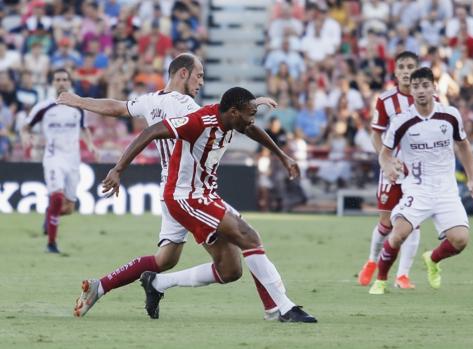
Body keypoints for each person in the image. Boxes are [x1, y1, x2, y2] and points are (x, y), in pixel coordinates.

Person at [59, 54, 281, 320]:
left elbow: (116, 107)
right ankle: (276, 308)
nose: (201, 81)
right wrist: (253, 104)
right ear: (183, 74)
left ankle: (101, 286)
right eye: (198, 75)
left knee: (165, 259)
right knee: (233, 261)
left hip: (169, 190)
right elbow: (222, 115)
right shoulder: (186, 104)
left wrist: (77, 101)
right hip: (189, 192)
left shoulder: (150, 101)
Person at [100, 86, 317, 323]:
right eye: (250, 114)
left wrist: (282, 156)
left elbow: (252, 129)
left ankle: (158, 283)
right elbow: (151, 131)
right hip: (184, 197)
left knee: (231, 270)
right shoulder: (198, 123)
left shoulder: (234, 120)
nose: (252, 120)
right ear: (234, 112)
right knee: (249, 237)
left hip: (205, 195)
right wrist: (118, 169)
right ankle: (283, 308)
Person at [368, 67, 473, 294]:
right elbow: (385, 152)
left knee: (460, 240)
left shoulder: (450, 115)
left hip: (446, 191)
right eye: (416, 86)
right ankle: (381, 280)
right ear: (411, 91)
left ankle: (433, 259)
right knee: (398, 234)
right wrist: (388, 166)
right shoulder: (402, 121)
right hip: (417, 189)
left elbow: (464, 146)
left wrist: (472, 179)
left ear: (434, 88)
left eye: (425, 85)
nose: (420, 90)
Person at [358, 51, 422, 290]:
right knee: (386, 221)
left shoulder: (428, 99)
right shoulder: (386, 100)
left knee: (413, 221)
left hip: (417, 171)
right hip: (391, 167)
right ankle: (372, 261)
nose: (406, 71)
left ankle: (402, 275)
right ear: (395, 72)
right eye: (402, 67)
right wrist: (384, 160)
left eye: (410, 67)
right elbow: (376, 132)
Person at [21, 68, 96, 254]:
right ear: (52, 84)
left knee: (69, 208)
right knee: (56, 197)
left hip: (73, 160)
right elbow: (25, 127)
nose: (61, 82)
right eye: (57, 80)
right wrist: (26, 137)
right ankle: (51, 243)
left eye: (64, 79)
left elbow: (84, 129)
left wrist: (91, 145)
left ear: (70, 83)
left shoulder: (79, 107)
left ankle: (50, 215)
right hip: (53, 157)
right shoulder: (44, 107)